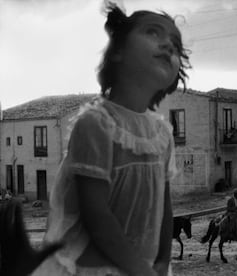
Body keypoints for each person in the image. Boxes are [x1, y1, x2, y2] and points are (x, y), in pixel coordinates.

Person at [33, 2, 190, 276]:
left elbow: (165, 209)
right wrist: (139, 270)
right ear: (118, 51)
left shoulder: (163, 135)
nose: (167, 45)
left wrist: (163, 262)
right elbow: (97, 216)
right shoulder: (96, 124)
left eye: (175, 45)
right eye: (153, 33)